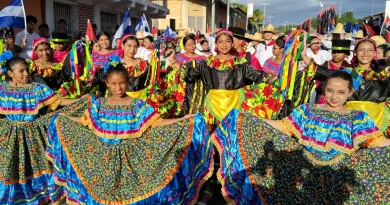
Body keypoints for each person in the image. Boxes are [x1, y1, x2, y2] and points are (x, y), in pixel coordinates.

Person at [46, 62, 214, 204]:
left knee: (132, 193)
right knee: (104, 191)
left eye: (122, 83)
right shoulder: (99, 104)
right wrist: (64, 118)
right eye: (114, 84)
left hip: (132, 157)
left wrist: (184, 119)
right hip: (102, 157)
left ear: (127, 82)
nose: (118, 87)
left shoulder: (137, 104)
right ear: (107, 83)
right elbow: (85, 121)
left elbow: (157, 122)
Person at [213, 71, 390, 204]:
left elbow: (379, 143)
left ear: (350, 93)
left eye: (341, 92)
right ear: (324, 89)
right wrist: (247, 118)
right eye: (329, 90)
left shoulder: (358, 117)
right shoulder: (308, 110)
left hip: (336, 176)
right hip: (304, 172)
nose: (334, 97)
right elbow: (283, 126)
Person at [0, 57, 77, 204]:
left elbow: (58, 101)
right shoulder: (3, 89)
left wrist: (82, 100)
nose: (25, 74)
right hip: (10, 136)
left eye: (26, 70)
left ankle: (42, 194)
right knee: (11, 167)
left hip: (32, 134)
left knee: (40, 164)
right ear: (10, 73)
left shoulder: (37, 88)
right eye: (20, 71)